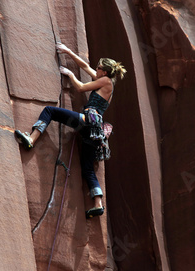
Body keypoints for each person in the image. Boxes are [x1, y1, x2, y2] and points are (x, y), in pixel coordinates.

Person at [15, 42, 126, 219]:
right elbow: (85, 66)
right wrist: (67, 52)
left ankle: (32, 139)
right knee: (88, 169)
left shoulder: (104, 81)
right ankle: (98, 204)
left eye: (98, 68)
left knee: (49, 111)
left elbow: (81, 87)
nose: (95, 70)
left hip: (87, 121)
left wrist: (70, 75)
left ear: (104, 72)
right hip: (93, 132)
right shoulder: (105, 81)